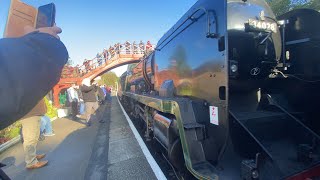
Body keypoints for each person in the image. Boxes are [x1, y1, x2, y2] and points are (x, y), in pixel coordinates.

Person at [0, 25, 68, 169]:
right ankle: (31, 162)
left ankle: (32, 156)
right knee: (30, 137)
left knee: (34, 135)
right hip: (30, 114)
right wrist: (41, 41)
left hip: (32, 112)